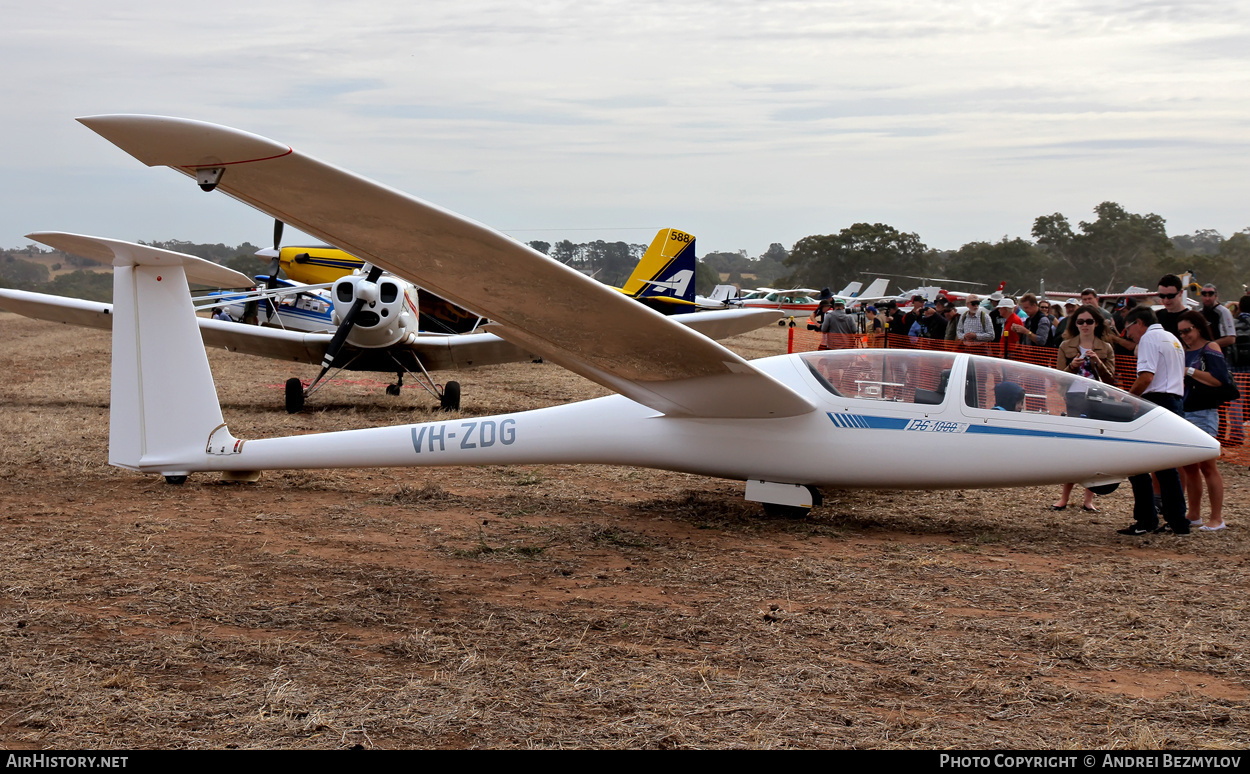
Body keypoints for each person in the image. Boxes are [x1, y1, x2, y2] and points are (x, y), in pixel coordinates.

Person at [1119, 307, 1189, 536]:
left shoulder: (1149, 339)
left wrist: (1127, 399)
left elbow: (1146, 377)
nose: (1128, 335)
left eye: (1128, 328)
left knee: (1137, 462)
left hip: (1157, 401)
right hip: (1175, 400)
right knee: (1167, 466)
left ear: (1139, 323)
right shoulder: (1172, 338)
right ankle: (1178, 520)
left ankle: (1146, 519)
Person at [1052, 305, 1116, 512]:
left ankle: (1088, 499)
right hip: (1074, 397)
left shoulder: (1105, 348)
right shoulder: (1066, 346)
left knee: (1094, 447)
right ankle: (1064, 497)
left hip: (1098, 398)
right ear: (1075, 324)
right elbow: (1058, 378)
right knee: (1074, 447)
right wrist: (1073, 366)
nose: (1085, 325)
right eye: (1080, 322)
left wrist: (1098, 362)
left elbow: (1111, 379)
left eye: (1089, 321)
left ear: (1096, 323)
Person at [1177, 311, 1230, 531]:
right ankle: (1194, 513)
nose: (1184, 336)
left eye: (1187, 330)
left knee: (1208, 466)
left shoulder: (1211, 349)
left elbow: (1219, 379)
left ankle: (1217, 518)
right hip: (1185, 410)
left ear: (1198, 327)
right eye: (1180, 332)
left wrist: (1188, 371)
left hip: (1204, 412)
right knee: (1189, 466)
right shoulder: (1185, 351)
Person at [1198, 283, 1236, 350]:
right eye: (1204, 295)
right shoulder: (1200, 313)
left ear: (1216, 296)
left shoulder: (1223, 312)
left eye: (1210, 295)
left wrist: (1208, 346)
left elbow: (1231, 338)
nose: (1207, 298)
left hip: (1221, 353)